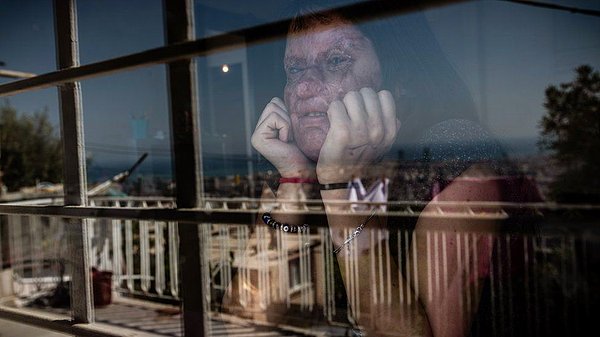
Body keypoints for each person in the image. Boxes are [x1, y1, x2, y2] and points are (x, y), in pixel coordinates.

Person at [227, 2, 514, 336]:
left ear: (401, 79)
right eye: (294, 69)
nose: (303, 88)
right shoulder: (300, 164)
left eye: (335, 61)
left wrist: (340, 187)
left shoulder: (452, 160)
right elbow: (242, 316)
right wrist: (293, 182)